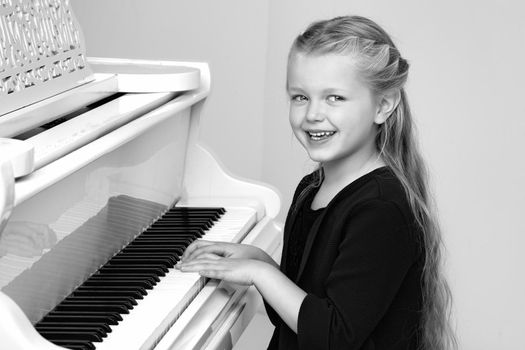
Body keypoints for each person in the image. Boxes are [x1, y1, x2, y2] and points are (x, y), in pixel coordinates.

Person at [176, 15, 456, 350]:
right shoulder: (313, 186)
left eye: (334, 97)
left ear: (383, 105)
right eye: (300, 97)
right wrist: (257, 259)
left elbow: (333, 335)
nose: (312, 114)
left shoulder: (381, 208)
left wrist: (259, 274)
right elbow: (296, 311)